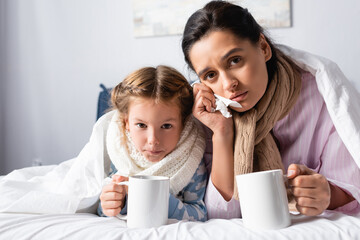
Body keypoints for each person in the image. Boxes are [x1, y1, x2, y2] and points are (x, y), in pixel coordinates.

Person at [181, 0, 360, 218]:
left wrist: (328, 194)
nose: (228, 84)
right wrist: (222, 133)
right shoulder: (210, 113)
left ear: (264, 48)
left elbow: (352, 188)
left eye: (235, 60)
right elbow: (221, 215)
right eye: (210, 75)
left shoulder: (323, 94)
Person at [97, 65, 207, 221]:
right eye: (141, 125)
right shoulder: (120, 151)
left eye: (166, 126)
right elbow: (102, 209)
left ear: (183, 124)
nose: (153, 140)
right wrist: (113, 203)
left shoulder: (191, 158)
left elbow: (200, 213)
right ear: (126, 123)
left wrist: (157, 198)